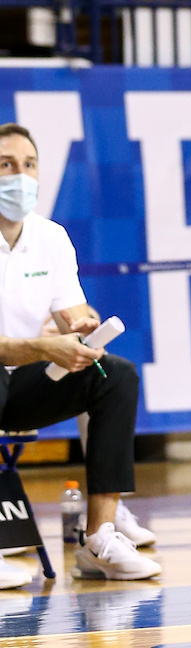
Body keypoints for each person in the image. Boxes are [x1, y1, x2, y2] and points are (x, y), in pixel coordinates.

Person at [0, 123, 161, 583]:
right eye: (6, 165)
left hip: (26, 386)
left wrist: (84, 326)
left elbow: (74, 310)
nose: (20, 176)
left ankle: (100, 538)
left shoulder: (50, 237)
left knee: (115, 374)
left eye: (28, 165)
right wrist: (40, 346)